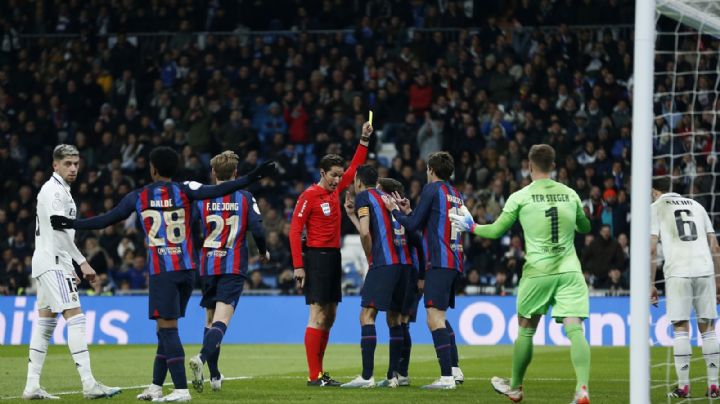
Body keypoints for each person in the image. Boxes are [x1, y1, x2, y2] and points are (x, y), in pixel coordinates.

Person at [50, 146, 276, 402]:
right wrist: (252, 177)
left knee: (168, 329)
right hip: (188, 270)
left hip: (162, 271)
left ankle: (180, 390)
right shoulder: (186, 189)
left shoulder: (139, 196)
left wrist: (72, 223)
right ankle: (156, 385)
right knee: (163, 329)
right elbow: (219, 190)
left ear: (153, 169)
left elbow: (105, 220)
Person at [450, 144, 591, 404]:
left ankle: (515, 387)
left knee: (526, 330)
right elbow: (585, 226)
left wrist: (471, 226)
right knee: (575, 329)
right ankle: (582, 388)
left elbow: (494, 232)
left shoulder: (520, 196)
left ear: (529, 166)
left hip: (538, 271)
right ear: (554, 165)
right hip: (570, 270)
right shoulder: (570, 194)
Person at [23, 144, 120, 400]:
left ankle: (31, 386)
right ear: (55, 165)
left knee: (45, 324)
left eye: (76, 163)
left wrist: (69, 264)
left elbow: (57, 234)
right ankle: (89, 384)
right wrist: (82, 262)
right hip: (53, 262)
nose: (73, 168)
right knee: (76, 319)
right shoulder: (54, 192)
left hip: (50, 261)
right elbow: (58, 230)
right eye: (67, 163)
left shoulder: (59, 190)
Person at [290, 121, 373, 387]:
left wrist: (363, 139)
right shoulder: (309, 196)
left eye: (339, 176)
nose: (338, 180)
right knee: (317, 314)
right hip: (315, 258)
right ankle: (314, 375)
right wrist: (298, 266)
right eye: (333, 175)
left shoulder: (335, 190)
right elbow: (294, 231)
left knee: (331, 315)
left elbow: (355, 168)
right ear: (322, 172)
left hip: (333, 258)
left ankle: (320, 372)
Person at [381, 151, 465, 390]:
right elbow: (429, 220)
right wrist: (409, 212)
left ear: (431, 169)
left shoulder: (432, 189)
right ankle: (455, 369)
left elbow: (414, 225)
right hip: (454, 259)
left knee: (434, 318)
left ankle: (446, 377)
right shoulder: (456, 195)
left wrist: (394, 211)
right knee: (441, 316)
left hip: (439, 261)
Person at [188, 150, 270, 393]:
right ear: (236, 173)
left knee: (210, 320)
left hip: (208, 265)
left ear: (213, 172)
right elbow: (258, 228)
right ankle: (202, 358)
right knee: (221, 322)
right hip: (232, 266)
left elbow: (191, 228)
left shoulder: (201, 198)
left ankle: (214, 376)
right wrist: (263, 251)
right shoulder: (244, 197)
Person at [340, 166, 413, 388]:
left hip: (384, 263)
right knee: (395, 319)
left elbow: (364, 233)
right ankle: (392, 377)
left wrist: (371, 257)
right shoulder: (385, 196)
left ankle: (366, 376)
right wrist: (352, 215)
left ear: (358, 181)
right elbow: (373, 228)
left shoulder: (364, 196)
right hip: (404, 265)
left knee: (367, 316)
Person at [650, 177, 720, 399]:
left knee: (681, 327)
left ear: (654, 191)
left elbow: (652, 249)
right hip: (705, 269)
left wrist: (651, 283)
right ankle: (714, 386)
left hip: (678, 271)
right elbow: (715, 247)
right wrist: (718, 279)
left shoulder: (657, 207)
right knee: (708, 329)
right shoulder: (698, 206)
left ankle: (684, 387)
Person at [378, 178, 425, 386]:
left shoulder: (397, 217)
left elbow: (420, 245)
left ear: (389, 195)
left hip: (408, 274)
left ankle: (393, 375)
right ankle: (401, 373)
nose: (377, 194)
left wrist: (422, 275)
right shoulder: (403, 216)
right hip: (412, 274)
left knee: (395, 321)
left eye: (380, 191)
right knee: (403, 323)